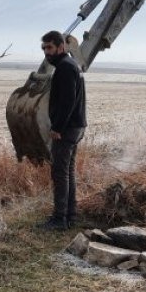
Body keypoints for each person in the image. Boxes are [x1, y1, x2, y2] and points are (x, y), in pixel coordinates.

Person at [39, 30, 86, 230]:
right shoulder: (69, 65)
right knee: (67, 172)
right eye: (44, 48)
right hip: (75, 127)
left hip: (67, 129)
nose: (46, 52)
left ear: (61, 47)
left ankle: (59, 219)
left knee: (60, 173)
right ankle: (70, 215)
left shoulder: (65, 68)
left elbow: (67, 101)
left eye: (49, 47)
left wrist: (57, 127)